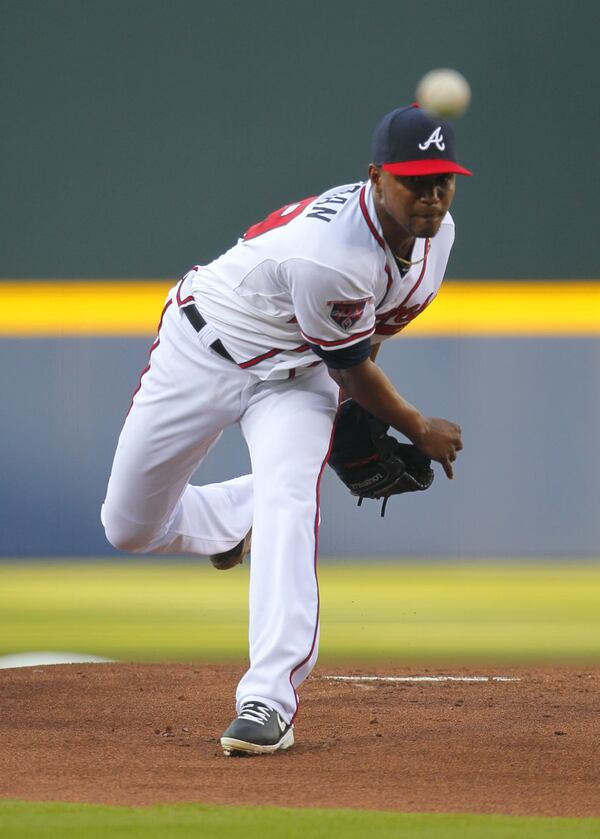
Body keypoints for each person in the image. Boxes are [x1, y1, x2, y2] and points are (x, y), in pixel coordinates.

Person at [101, 104, 469, 756]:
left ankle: (267, 699)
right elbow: (356, 370)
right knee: (129, 526)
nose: (431, 195)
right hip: (202, 348)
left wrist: (352, 414)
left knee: (290, 501)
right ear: (376, 177)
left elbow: (369, 336)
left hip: (298, 376)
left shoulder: (436, 242)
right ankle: (241, 513)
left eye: (442, 179)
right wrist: (416, 425)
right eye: (414, 180)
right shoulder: (333, 255)